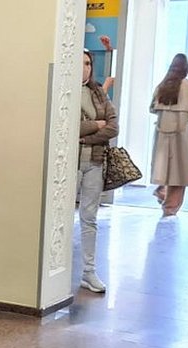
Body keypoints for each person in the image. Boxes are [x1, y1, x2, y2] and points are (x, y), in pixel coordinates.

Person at [74, 49, 118, 293]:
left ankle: (89, 272)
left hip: (94, 161)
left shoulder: (98, 93)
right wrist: (94, 125)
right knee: (59, 216)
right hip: (70, 164)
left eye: (89, 63)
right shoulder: (66, 91)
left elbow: (113, 126)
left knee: (89, 218)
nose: (86, 67)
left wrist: (85, 137)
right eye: (81, 63)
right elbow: (68, 126)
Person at [151, 53, 188, 217]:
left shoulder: (161, 86)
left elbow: (152, 108)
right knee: (181, 172)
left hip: (162, 133)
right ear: (186, 69)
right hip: (184, 133)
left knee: (165, 168)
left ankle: (163, 191)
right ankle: (170, 206)